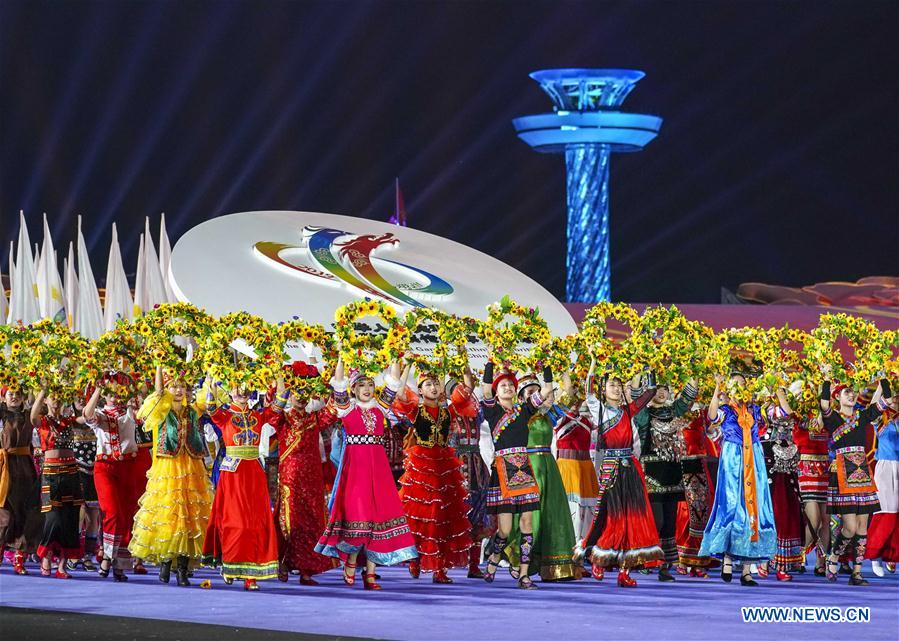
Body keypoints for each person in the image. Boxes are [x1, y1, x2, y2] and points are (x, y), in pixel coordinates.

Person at [315, 360, 418, 590]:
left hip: (378, 468)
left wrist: (393, 355)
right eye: (362, 385)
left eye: (370, 384)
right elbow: (339, 382)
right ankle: (351, 563)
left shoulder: (379, 407)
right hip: (356, 470)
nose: (367, 389)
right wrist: (341, 356)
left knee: (379, 517)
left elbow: (393, 380)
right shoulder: (347, 407)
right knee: (358, 516)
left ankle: (371, 573)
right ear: (353, 389)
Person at [578, 359, 663, 587]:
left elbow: (651, 392)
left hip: (630, 469)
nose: (616, 388)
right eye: (611, 385)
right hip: (611, 467)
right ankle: (598, 559)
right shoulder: (599, 409)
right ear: (603, 390)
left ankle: (624, 572)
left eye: (618, 385)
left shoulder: (628, 410)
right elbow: (589, 390)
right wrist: (594, 365)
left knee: (632, 520)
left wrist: (647, 362)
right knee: (613, 517)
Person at [129, 366, 214, 586]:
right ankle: (166, 563)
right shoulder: (162, 409)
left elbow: (208, 397)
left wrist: (212, 373)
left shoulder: (193, 410)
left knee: (190, 517)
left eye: (182, 386)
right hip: (168, 468)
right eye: (174, 386)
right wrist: (159, 366)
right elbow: (155, 398)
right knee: (168, 515)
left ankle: (183, 571)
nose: (178, 390)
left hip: (191, 468)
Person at [202, 376, 287, 590]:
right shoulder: (224, 415)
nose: (242, 392)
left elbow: (280, 403)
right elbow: (210, 407)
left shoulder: (258, 415)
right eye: (237, 388)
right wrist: (212, 382)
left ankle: (251, 574)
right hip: (233, 473)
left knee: (255, 522)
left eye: (246, 387)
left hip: (254, 472)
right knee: (234, 521)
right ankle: (230, 564)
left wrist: (279, 376)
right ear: (230, 391)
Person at [480, 363, 554, 590]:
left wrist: (548, 366)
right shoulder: (492, 411)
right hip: (503, 470)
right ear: (496, 390)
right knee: (504, 530)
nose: (508, 388)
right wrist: (491, 364)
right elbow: (484, 390)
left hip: (524, 469)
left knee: (526, 523)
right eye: (503, 385)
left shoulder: (524, 409)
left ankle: (524, 575)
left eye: (511, 385)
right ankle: (494, 556)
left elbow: (548, 389)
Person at [395, 370, 472, 583]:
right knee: (421, 515)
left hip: (444, 465)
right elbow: (400, 392)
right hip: (421, 465)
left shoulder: (448, 411)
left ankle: (440, 568)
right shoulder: (416, 410)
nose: (433, 387)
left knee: (442, 515)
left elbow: (467, 391)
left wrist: (463, 365)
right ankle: (415, 559)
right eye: (428, 384)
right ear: (420, 390)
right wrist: (407, 366)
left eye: (436, 383)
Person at [699, 373, 776, 586]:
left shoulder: (755, 409)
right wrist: (716, 390)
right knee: (732, 506)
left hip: (755, 459)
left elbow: (785, 413)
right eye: (736, 384)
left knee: (754, 508)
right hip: (733, 459)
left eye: (743, 384)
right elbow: (712, 416)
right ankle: (727, 557)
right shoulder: (726, 410)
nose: (740, 387)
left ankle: (747, 571)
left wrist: (775, 386)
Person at [504, 374, 579, 582]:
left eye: (540, 392)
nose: (538, 396)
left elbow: (569, 398)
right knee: (531, 517)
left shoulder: (548, 415)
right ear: (522, 397)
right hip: (528, 467)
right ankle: (521, 561)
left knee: (552, 513)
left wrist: (562, 373)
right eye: (531, 393)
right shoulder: (519, 415)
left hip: (548, 466)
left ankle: (556, 566)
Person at [819, 376, 892, 585]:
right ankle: (833, 557)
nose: (851, 394)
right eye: (845, 392)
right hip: (843, 473)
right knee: (849, 527)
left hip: (862, 472)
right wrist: (825, 382)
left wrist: (883, 379)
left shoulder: (862, 416)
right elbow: (824, 404)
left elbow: (885, 400)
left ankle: (857, 573)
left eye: (852, 391)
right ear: (837, 398)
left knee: (862, 528)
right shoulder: (833, 418)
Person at [273, 361, 337, 585]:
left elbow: (334, 408)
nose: (300, 396)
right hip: (290, 478)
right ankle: (282, 562)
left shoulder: (314, 418)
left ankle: (306, 570)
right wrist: (281, 379)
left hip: (313, 478)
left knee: (311, 520)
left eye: (305, 392)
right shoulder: (283, 418)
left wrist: (337, 369)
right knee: (290, 521)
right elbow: (272, 415)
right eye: (296, 392)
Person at [634, 380, 698, 581]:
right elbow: (637, 403)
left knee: (670, 521)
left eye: (665, 389)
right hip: (652, 471)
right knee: (657, 520)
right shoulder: (645, 413)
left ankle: (665, 566)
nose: (661, 392)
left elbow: (687, 398)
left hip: (672, 471)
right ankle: (646, 558)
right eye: (657, 389)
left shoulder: (674, 410)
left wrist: (694, 371)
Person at [83, 374, 141, 582]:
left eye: (118, 392)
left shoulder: (130, 412)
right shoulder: (99, 414)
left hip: (128, 467)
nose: (114, 397)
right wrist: (98, 388)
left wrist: (132, 385)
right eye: (110, 393)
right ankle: (106, 555)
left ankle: (120, 565)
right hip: (105, 468)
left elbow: (145, 409)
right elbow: (87, 413)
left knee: (126, 516)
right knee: (112, 512)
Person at [445, 376, 494, 578]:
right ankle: (444, 565)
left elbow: (486, 396)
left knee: (479, 514)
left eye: (465, 388)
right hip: (457, 465)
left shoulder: (476, 412)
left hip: (477, 465)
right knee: (454, 514)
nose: (463, 391)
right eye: (457, 389)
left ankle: (474, 565)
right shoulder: (448, 413)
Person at [31, 388, 83, 577]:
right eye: (53, 399)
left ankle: (61, 565)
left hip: (70, 472)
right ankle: (46, 557)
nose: (57, 402)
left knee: (70, 517)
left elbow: (87, 416)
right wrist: (42, 392)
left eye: (60, 399)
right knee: (52, 517)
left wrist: (97, 389)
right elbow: (32, 416)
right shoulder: (43, 421)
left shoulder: (69, 420)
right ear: (46, 400)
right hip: (51, 473)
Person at [758, 402, 803, 581]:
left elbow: (789, 412)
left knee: (788, 517)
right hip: (770, 480)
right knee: (772, 517)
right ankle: (764, 560)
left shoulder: (791, 439)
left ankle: (782, 564)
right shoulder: (763, 439)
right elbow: (780, 411)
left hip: (788, 480)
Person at [552, 377, 598, 549]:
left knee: (587, 511)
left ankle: (583, 548)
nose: (575, 402)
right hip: (567, 467)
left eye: (578, 398)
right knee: (571, 511)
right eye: (572, 397)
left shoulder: (588, 422)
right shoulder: (559, 420)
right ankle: (567, 548)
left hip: (585, 467)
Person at [793, 412, 831, 576]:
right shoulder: (799, 414)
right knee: (814, 519)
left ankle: (820, 562)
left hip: (824, 467)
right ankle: (798, 556)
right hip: (806, 467)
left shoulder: (829, 413)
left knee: (826, 520)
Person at [866, 394, 899, 575]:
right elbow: (872, 406)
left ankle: (892, 555)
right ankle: (875, 555)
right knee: (887, 510)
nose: (895, 400)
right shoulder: (882, 417)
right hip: (886, 467)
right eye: (892, 397)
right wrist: (880, 387)